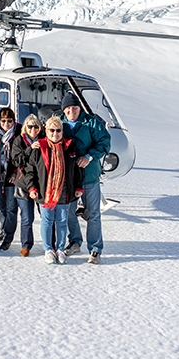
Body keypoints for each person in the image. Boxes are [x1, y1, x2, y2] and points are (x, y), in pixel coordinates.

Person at [60, 91, 111, 265]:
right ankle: (74, 241)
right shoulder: (59, 123)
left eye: (74, 107)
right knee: (68, 212)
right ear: (63, 109)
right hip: (69, 177)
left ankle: (95, 249)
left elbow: (104, 142)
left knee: (94, 213)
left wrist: (89, 157)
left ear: (79, 107)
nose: (71, 111)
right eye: (67, 108)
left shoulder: (91, 122)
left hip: (89, 175)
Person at [25, 116, 84, 265]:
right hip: (46, 192)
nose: (55, 134)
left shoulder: (70, 147)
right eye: (52, 130)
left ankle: (60, 249)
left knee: (62, 221)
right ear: (46, 130)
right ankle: (48, 249)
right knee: (47, 220)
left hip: (64, 190)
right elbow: (30, 170)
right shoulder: (40, 147)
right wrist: (32, 188)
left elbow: (77, 170)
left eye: (58, 130)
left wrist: (78, 187)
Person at [10, 114, 43, 257]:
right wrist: (30, 149)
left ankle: (51, 244)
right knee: (27, 217)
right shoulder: (19, 140)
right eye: (30, 126)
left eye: (36, 126)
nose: (33, 129)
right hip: (23, 184)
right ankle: (26, 245)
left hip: (41, 183)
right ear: (25, 127)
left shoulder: (44, 140)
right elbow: (16, 160)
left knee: (46, 216)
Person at [0, 108, 19, 251]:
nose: (6, 124)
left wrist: (16, 172)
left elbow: (20, 157)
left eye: (9, 121)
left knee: (11, 207)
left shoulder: (18, 135)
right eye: (3, 121)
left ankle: (9, 236)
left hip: (11, 177)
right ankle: (3, 229)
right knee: (0, 206)